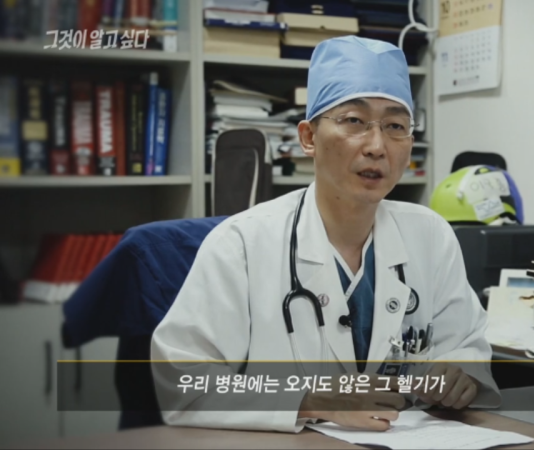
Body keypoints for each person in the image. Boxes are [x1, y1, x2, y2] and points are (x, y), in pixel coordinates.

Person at [150, 35, 501, 433]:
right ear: (309, 137)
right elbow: (184, 383)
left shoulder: (430, 235)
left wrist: (461, 374)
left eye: (395, 126)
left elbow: (468, 348)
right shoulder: (241, 244)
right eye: (354, 121)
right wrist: (309, 399)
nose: (377, 146)